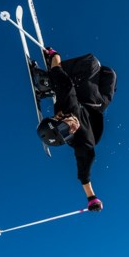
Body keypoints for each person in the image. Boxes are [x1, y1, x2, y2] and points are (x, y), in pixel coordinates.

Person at [35, 49, 117, 212]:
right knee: (109, 74)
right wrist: (92, 198)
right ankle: (51, 83)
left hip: (79, 95)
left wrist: (54, 57)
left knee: (91, 63)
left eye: (64, 127)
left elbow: (61, 75)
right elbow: (84, 174)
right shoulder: (83, 143)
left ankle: (47, 82)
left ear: (58, 117)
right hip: (95, 107)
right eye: (67, 134)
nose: (71, 128)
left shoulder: (67, 104)